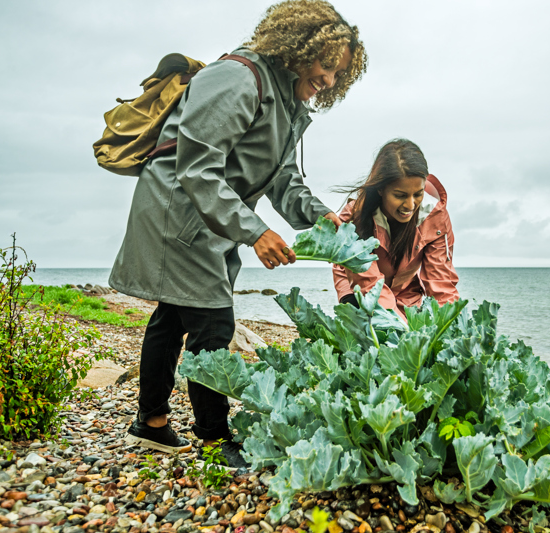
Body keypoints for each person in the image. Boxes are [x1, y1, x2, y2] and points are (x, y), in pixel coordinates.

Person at [108, 0, 367, 465]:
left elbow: (284, 179)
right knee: (213, 323)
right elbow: (197, 167)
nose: (329, 80)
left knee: (172, 314)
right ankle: (213, 436)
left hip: (210, 218)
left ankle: (150, 423)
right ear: (298, 45)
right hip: (178, 210)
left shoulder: (286, 101)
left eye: (338, 75)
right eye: (327, 66)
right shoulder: (237, 77)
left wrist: (321, 218)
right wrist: (255, 232)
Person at [332, 139, 459, 317]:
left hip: (406, 291)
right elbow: (369, 283)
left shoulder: (435, 218)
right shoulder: (355, 217)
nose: (410, 205)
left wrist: (450, 325)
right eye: (400, 195)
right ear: (380, 190)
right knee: (371, 331)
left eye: (418, 194)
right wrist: (395, 324)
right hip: (358, 285)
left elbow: (441, 282)